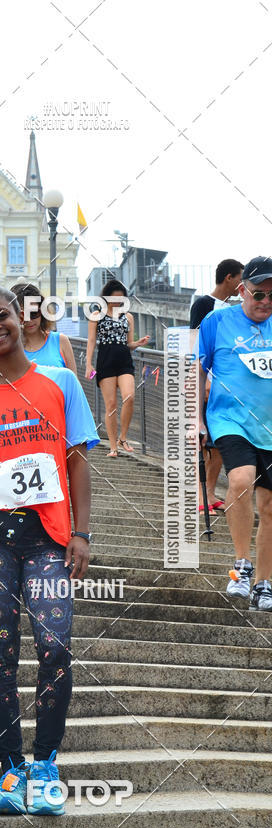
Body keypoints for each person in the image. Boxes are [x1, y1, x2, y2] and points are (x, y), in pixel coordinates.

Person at [0, 286, 98, 816]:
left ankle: (46, 763)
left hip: (48, 535)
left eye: (0, 315)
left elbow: (77, 460)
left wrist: (81, 532)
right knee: (0, 651)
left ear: (19, 316)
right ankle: (10, 769)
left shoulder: (61, 382)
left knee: (54, 645)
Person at [199, 255, 272, 611]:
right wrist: (196, 420)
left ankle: (264, 582)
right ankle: (242, 566)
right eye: (259, 294)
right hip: (230, 419)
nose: (266, 302)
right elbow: (197, 369)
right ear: (242, 290)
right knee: (241, 480)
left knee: (269, 507)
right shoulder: (217, 321)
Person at [190, 259, 243, 516]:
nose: (242, 284)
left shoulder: (234, 309)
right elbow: (195, 342)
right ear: (229, 277)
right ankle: (201, 495)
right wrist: (205, 380)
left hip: (226, 386)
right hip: (207, 383)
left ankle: (210, 493)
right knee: (205, 442)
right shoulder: (204, 304)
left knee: (220, 441)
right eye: (240, 278)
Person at [84, 279, 150, 457]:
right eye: (114, 298)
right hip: (105, 360)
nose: (118, 302)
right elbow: (91, 341)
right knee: (111, 404)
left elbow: (129, 344)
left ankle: (123, 437)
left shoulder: (128, 317)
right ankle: (113, 447)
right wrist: (88, 364)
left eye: (121, 298)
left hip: (124, 360)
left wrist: (138, 343)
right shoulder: (96, 315)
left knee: (129, 396)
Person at [11, 283, 77, 373]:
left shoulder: (61, 341)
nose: (29, 320)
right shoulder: (11, 349)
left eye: (33, 313)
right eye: (22, 315)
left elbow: (73, 380)